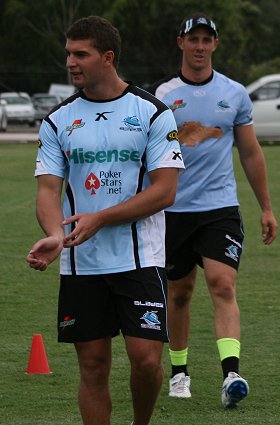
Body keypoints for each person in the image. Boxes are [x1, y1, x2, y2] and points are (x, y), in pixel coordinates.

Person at [26, 16, 184, 425]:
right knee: (93, 366)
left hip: (141, 259)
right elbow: (48, 191)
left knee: (146, 360)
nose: (70, 63)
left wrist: (101, 218)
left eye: (81, 54)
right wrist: (53, 235)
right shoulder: (58, 120)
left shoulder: (152, 113)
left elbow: (165, 191)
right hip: (82, 263)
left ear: (108, 58)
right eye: (68, 54)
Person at [149, 12, 278, 408]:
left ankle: (231, 374)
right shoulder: (165, 94)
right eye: (194, 40)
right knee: (180, 292)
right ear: (181, 44)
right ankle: (179, 372)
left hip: (220, 207)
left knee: (222, 284)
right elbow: (152, 154)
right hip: (174, 210)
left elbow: (251, 152)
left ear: (215, 45)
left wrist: (266, 208)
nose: (200, 46)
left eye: (207, 40)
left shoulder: (235, 93)